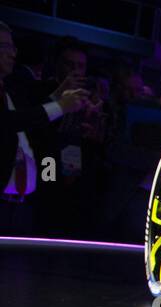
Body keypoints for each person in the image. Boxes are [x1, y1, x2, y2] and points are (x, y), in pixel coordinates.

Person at [0, 22, 89, 235]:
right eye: (69, 64)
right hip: (45, 164)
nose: (75, 71)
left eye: (80, 66)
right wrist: (58, 102)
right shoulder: (35, 88)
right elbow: (28, 124)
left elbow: (76, 139)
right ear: (56, 64)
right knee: (50, 188)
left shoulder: (88, 95)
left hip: (70, 167)